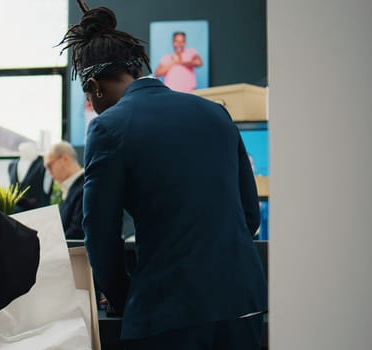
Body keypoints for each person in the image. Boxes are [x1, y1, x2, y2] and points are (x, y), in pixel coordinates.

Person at [59, 7, 267, 350]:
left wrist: (123, 296)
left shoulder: (109, 128)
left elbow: (100, 234)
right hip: (241, 303)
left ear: (94, 88)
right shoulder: (214, 113)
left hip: (167, 310)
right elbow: (249, 214)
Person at [43, 141, 85, 239]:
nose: (49, 173)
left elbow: (76, 234)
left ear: (65, 159)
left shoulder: (84, 188)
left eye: (49, 166)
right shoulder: (73, 188)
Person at [8, 141, 52, 212]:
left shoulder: (44, 165)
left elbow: (46, 191)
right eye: (23, 150)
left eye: (31, 149)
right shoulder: (12, 165)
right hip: (15, 214)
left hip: (38, 214)